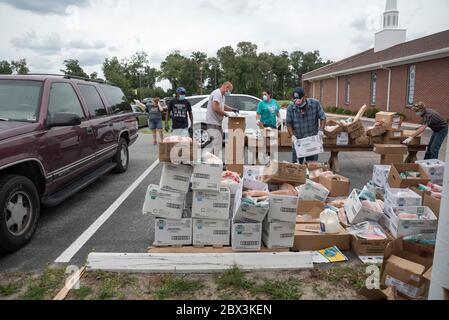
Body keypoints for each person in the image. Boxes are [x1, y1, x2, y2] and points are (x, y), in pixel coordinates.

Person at [286, 87, 326, 164]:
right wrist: (292, 136)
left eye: (299, 99)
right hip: (298, 141)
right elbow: (288, 124)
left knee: (312, 165)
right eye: (295, 99)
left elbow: (323, 118)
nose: (297, 101)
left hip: (312, 140)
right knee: (296, 166)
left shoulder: (315, 104)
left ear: (305, 96)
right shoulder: (291, 108)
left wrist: (321, 131)